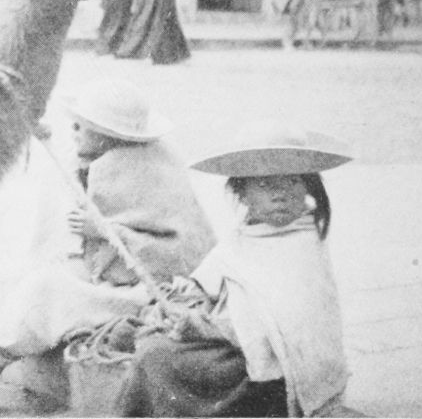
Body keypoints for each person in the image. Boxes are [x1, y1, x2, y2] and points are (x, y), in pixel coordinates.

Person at [0, 78, 216, 417]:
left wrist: (106, 232)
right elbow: (69, 175)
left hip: (151, 293)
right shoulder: (102, 157)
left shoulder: (155, 170)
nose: (75, 132)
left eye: (82, 127)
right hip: (109, 275)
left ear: (107, 134)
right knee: (39, 278)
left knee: (47, 290)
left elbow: (181, 253)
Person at [115, 120, 352, 418]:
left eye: (292, 181)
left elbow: (270, 329)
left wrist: (200, 325)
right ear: (243, 194)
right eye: (264, 184)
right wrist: (181, 302)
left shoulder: (301, 245)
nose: (280, 193)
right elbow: (207, 283)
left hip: (277, 373)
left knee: (157, 357)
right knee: (148, 337)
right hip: (244, 349)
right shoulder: (245, 236)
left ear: (308, 186)